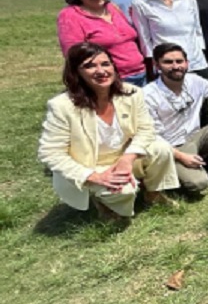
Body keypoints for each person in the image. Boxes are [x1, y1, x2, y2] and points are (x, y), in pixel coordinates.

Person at [38, 42, 178, 219]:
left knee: (161, 148)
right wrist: (94, 176)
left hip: (123, 155)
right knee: (123, 191)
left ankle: (153, 193)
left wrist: (128, 158)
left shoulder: (132, 92)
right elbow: (50, 153)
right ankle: (103, 200)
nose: (101, 70)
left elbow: (146, 129)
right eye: (90, 66)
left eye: (105, 64)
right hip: (90, 163)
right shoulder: (62, 106)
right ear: (76, 72)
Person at [143, 43, 208, 192]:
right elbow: (152, 137)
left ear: (187, 63)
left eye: (179, 61)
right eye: (168, 62)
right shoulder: (148, 95)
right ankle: (170, 170)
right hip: (171, 147)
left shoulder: (194, 81)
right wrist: (181, 156)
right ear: (157, 65)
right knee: (198, 184)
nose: (175, 66)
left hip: (196, 136)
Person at [57, 0, 147, 87]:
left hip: (142, 75)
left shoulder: (112, 7)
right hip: (110, 81)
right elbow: (74, 56)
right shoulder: (70, 16)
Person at [131, 0, 208, 80]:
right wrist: (154, 68)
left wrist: (201, 54)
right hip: (167, 68)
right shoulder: (140, 2)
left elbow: (197, 31)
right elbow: (145, 40)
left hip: (196, 64)